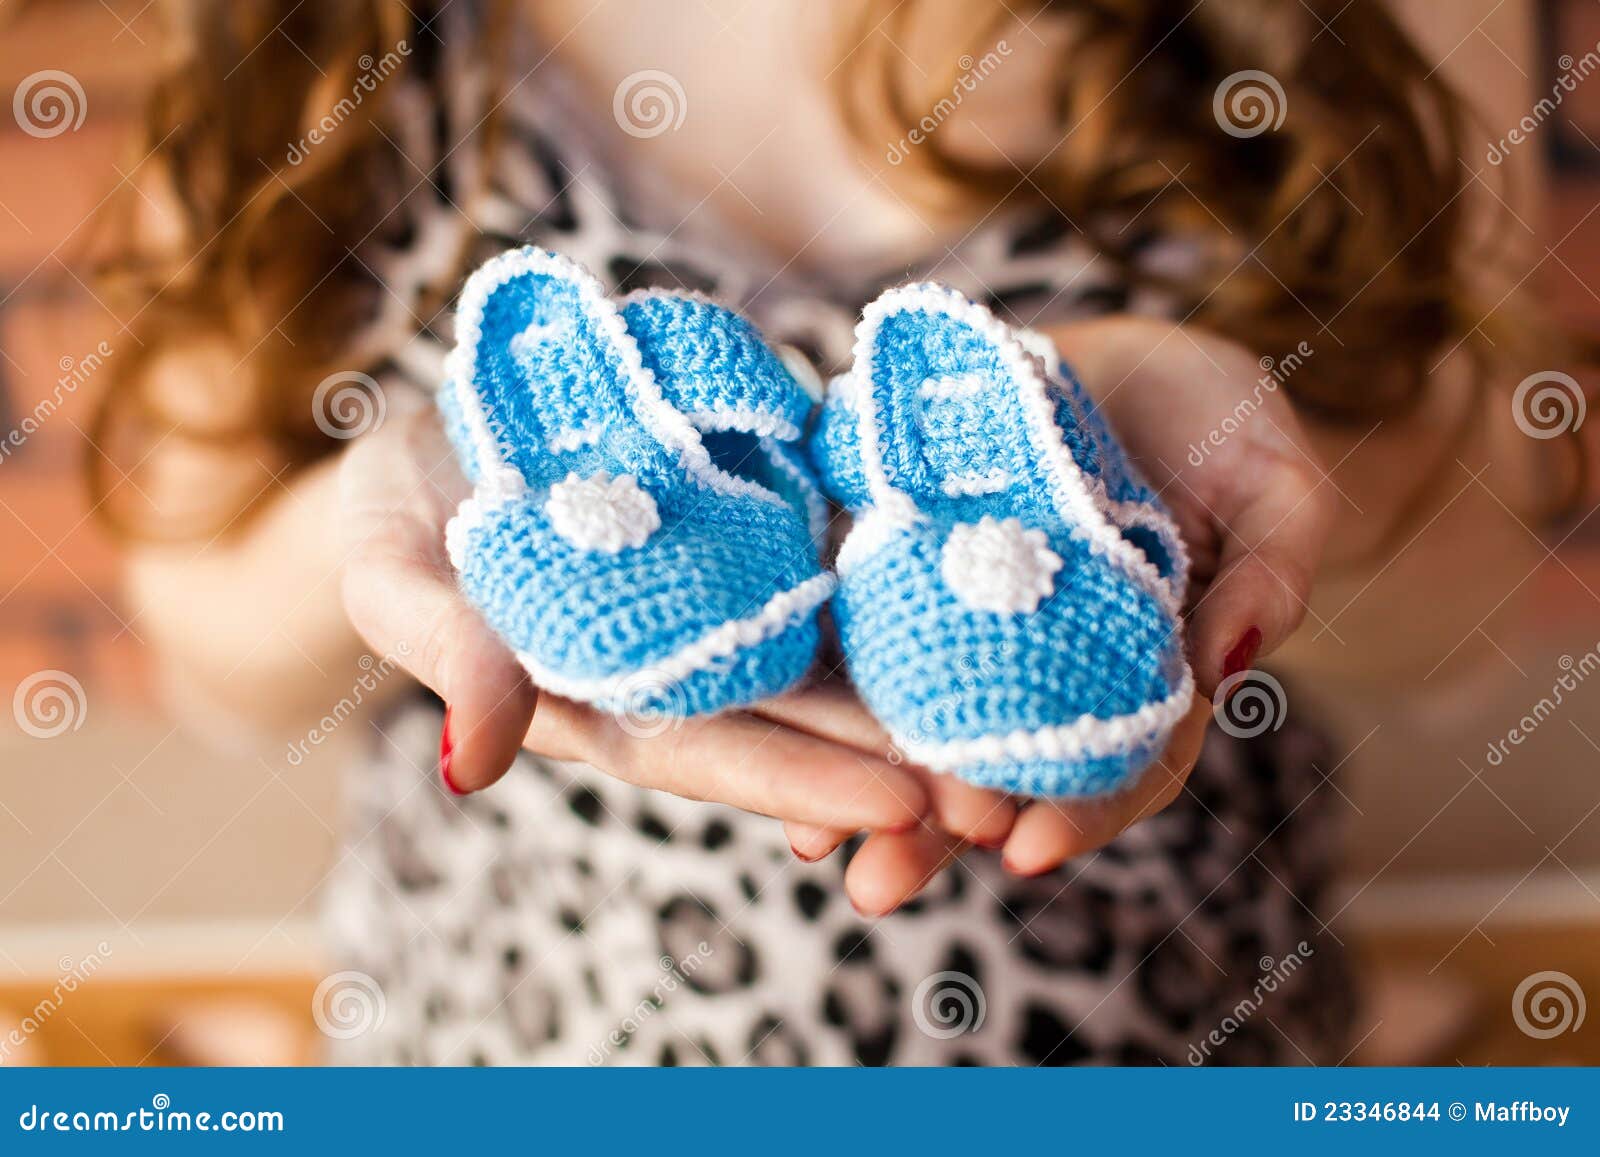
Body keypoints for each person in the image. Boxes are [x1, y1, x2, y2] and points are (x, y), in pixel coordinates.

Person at [95, 0, 1580, 1064]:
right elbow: (217, 671)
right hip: (515, 1031)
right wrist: (400, 506)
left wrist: (1283, 473)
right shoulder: (308, 38)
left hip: (1171, 1030)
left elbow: (1458, 643)